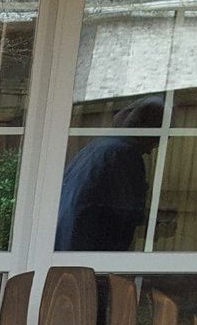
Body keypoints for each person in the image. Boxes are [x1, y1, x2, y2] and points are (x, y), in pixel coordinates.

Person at [54, 95, 165, 251]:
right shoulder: (123, 154)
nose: (152, 149)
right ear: (148, 129)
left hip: (66, 238)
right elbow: (125, 210)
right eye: (157, 140)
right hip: (87, 244)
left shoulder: (100, 146)